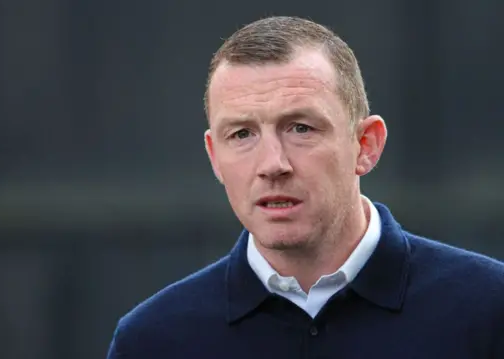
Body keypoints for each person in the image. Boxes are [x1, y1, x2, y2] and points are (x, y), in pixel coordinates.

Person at [106, 16, 504, 359]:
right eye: (242, 134)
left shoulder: (488, 309)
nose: (272, 164)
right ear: (214, 156)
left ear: (365, 145)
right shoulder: (153, 341)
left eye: (301, 128)